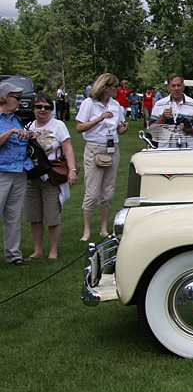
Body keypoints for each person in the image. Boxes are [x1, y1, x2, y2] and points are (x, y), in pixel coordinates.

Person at [76, 73, 129, 241]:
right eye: (115, 87)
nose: (117, 89)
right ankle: (86, 230)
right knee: (92, 193)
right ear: (105, 87)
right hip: (94, 149)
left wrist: (123, 128)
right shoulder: (89, 104)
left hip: (112, 149)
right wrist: (100, 118)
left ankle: (104, 228)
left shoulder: (116, 105)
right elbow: (79, 128)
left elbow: (118, 129)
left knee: (108, 192)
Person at [25, 92, 77, 260]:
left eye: (46, 107)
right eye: (39, 107)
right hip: (32, 176)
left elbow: (67, 148)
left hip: (52, 175)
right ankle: (37, 250)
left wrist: (72, 170)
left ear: (51, 109)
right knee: (34, 216)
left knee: (52, 216)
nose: (42, 110)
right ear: (33, 109)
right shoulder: (28, 127)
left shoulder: (58, 125)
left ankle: (53, 250)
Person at [0, 81, 34, 267]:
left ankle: (13, 255)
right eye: (17, 98)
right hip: (2, 171)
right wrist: (12, 132)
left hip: (19, 171)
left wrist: (28, 135)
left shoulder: (14, 118)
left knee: (13, 215)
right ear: (5, 97)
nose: (20, 102)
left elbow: (20, 137)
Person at [149, 74, 193, 149]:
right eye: (173, 86)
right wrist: (162, 118)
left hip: (188, 151)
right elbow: (151, 129)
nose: (176, 88)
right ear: (168, 88)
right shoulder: (159, 105)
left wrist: (191, 130)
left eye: (179, 85)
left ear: (183, 87)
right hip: (165, 151)